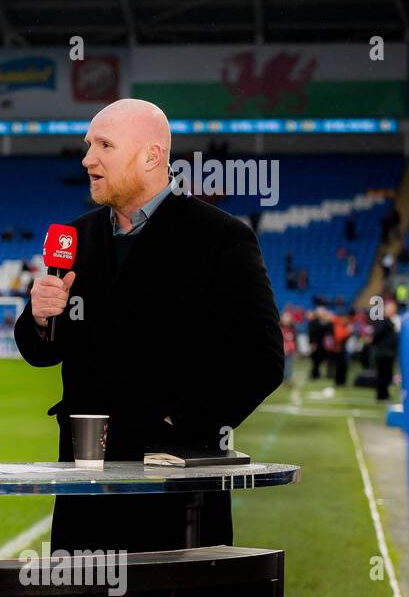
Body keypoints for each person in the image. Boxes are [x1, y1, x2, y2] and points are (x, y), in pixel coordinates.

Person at [16, 99, 284, 552]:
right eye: (88, 145)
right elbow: (43, 352)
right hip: (85, 488)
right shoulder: (75, 237)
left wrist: (179, 422)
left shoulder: (220, 238)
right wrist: (40, 318)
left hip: (176, 489)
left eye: (104, 145)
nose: (87, 159)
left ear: (151, 156)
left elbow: (262, 360)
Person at [371, 302, 400, 401]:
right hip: (382, 353)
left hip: (388, 353)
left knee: (387, 375)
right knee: (382, 375)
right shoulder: (382, 321)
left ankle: (385, 394)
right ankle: (381, 395)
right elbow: (376, 336)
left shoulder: (390, 321)